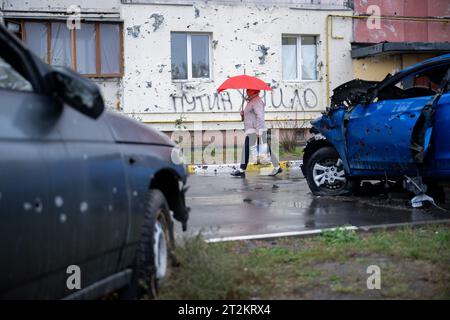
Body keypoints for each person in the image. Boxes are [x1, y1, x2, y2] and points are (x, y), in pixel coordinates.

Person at [231, 89, 282, 177]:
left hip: (256, 130)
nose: (246, 91)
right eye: (246, 90)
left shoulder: (257, 101)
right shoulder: (251, 101)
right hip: (252, 130)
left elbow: (260, 117)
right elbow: (250, 116)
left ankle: (242, 169)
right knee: (261, 149)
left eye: (248, 90)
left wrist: (259, 131)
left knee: (252, 149)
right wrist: (242, 115)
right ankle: (277, 167)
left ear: (254, 91)